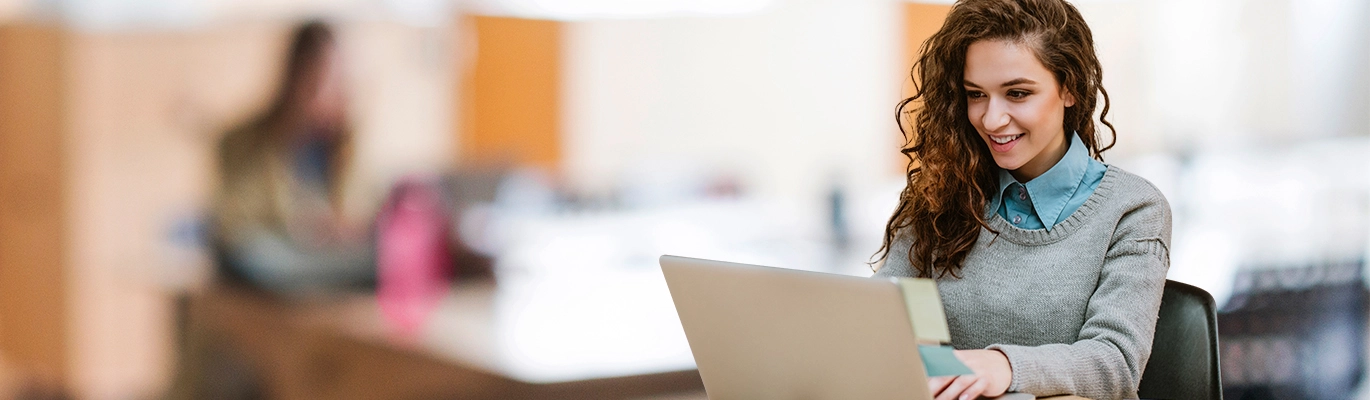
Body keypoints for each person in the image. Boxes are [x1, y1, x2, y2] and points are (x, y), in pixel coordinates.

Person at [871, 1, 1170, 399]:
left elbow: (1115, 364)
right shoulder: (940, 192)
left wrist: (1005, 367)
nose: (991, 119)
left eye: (1017, 93)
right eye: (976, 94)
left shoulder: (1132, 209)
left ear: (1069, 88)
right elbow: (887, 325)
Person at [211, 21, 374, 294]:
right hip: (275, 260)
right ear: (294, 77)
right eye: (319, 81)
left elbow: (359, 213)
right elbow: (234, 224)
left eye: (339, 80)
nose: (331, 92)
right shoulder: (243, 141)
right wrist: (303, 225)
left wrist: (342, 228)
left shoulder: (345, 142)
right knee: (254, 254)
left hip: (329, 262)